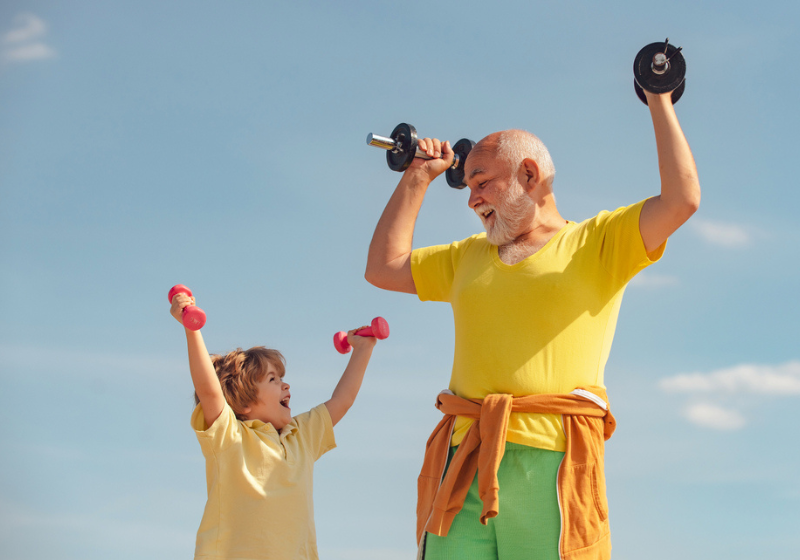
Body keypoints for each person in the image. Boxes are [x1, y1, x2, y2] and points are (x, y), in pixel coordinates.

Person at [365, 89, 699, 560]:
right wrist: (417, 177)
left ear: (529, 174)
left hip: (552, 461)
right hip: (464, 459)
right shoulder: (466, 257)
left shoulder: (598, 241)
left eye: (480, 182)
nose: (471, 199)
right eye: (468, 185)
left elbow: (682, 200)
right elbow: (383, 267)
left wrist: (659, 97)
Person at [169, 291, 377, 560]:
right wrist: (191, 329)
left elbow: (342, 400)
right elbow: (210, 392)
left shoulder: (301, 436)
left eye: (282, 377)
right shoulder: (229, 437)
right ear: (243, 403)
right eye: (272, 379)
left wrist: (363, 349)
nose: (285, 384)